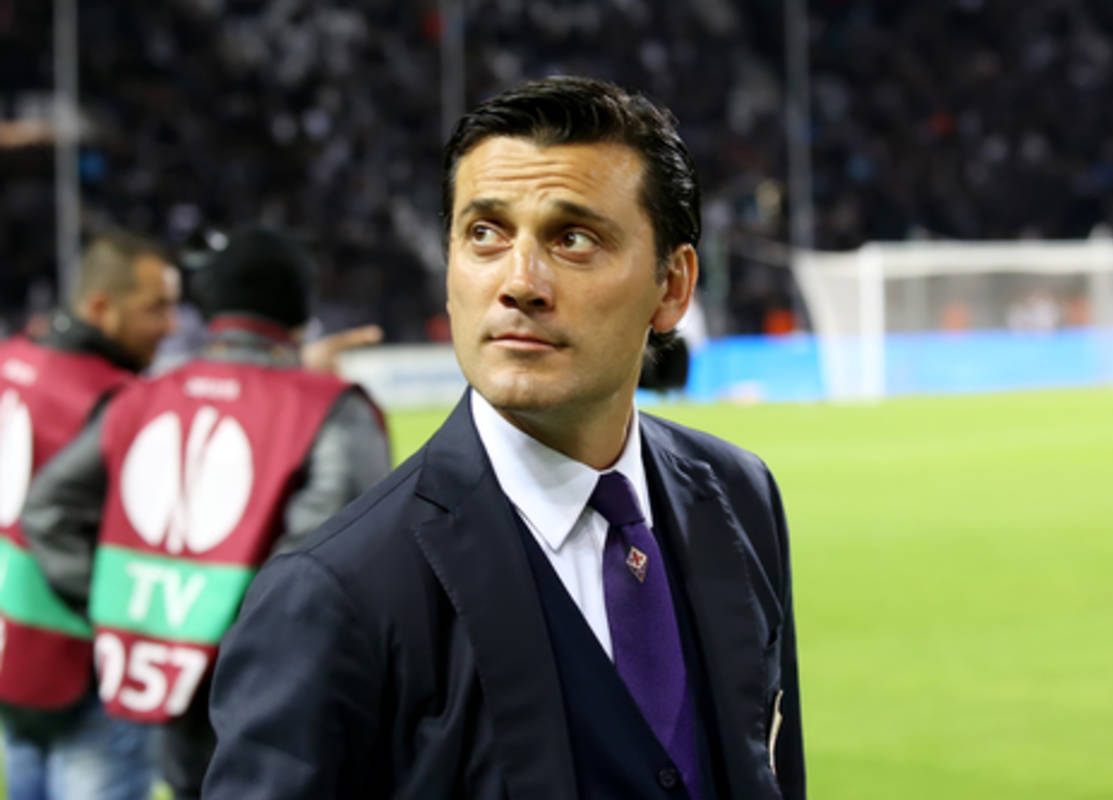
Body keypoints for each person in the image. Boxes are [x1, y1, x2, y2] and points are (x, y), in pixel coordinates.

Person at [203, 76, 805, 799]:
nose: (520, 282)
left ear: (672, 286)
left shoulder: (740, 497)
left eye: (573, 239)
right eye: (485, 233)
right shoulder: (334, 596)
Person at [21, 226, 393, 799]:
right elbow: (334, 568)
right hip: (285, 723)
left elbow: (48, 510)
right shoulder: (328, 409)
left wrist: (134, 612)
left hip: (177, 717)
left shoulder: (141, 396)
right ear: (298, 310)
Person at [0, 229, 178, 800]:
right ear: (101, 307)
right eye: (156, 308)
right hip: (88, 667)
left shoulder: (11, 360)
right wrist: (124, 615)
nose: (171, 324)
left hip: (15, 651)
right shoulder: (117, 398)